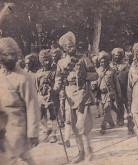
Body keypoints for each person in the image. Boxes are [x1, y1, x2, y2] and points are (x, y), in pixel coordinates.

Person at [54, 31, 98, 163]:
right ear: (64, 48)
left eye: (73, 46)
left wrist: (85, 77)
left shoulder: (83, 59)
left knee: (82, 126)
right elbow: (58, 78)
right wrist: (56, 87)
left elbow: (95, 75)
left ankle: (89, 151)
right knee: (74, 127)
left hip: (82, 95)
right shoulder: (61, 63)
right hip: (69, 97)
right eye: (68, 47)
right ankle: (81, 152)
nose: (72, 48)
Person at [0, 37, 40, 165]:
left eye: (13, 54)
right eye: (6, 54)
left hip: (17, 125)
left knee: (8, 159)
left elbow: (32, 105)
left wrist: (33, 132)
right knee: (24, 155)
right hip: (3, 124)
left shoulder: (23, 77)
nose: (10, 58)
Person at [35, 49, 58, 143]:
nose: (46, 62)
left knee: (53, 116)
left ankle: (54, 134)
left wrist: (49, 82)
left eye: (48, 60)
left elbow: (56, 84)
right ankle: (47, 129)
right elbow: (36, 85)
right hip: (41, 96)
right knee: (40, 117)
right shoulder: (38, 72)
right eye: (44, 60)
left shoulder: (54, 71)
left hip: (51, 96)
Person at [97, 51, 122, 134]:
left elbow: (116, 83)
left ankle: (103, 126)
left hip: (110, 93)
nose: (103, 63)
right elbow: (95, 82)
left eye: (104, 61)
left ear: (107, 62)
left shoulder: (112, 71)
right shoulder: (98, 71)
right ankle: (112, 123)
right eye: (101, 62)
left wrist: (119, 93)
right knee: (105, 110)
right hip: (101, 94)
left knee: (107, 109)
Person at [110, 48, 129, 126]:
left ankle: (132, 117)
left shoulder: (126, 65)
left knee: (127, 103)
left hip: (125, 86)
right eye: (115, 55)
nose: (116, 57)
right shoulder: (111, 65)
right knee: (118, 103)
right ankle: (120, 118)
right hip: (116, 87)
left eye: (118, 55)